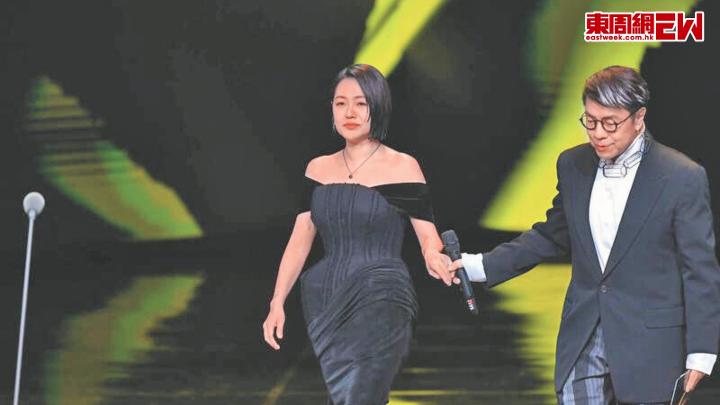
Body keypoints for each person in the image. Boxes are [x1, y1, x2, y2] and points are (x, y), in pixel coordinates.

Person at [441, 66, 720, 404]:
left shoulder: (681, 176)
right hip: (585, 333)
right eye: (590, 121)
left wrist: (702, 351)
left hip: (650, 343)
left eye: (610, 123)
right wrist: (478, 265)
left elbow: (699, 270)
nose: (598, 133)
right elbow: (551, 235)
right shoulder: (573, 165)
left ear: (639, 117)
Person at [262, 63, 452, 405]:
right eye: (341, 103)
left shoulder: (403, 166)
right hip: (326, 299)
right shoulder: (317, 168)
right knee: (347, 397)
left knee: (362, 393)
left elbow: (428, 236)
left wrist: (433, 256)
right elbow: (299, 241)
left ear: (377, 106)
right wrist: (277, 301)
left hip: (384, 295)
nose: (349, 112)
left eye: (361, 103)